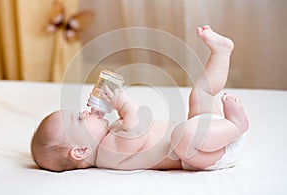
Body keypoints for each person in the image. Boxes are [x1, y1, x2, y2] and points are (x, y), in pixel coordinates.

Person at [31, 25, 249, 172]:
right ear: (80, 151)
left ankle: (221, 53)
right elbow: (137, 126)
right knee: (183, 135)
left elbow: (127, 127)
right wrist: (121, 103)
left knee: (200, 93)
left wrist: (101, 112)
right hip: (204, 154)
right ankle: (237, 125)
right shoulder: (108, 155)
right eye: (80, 118)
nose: (85, 112)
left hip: (207, 135)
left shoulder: (108, 138)